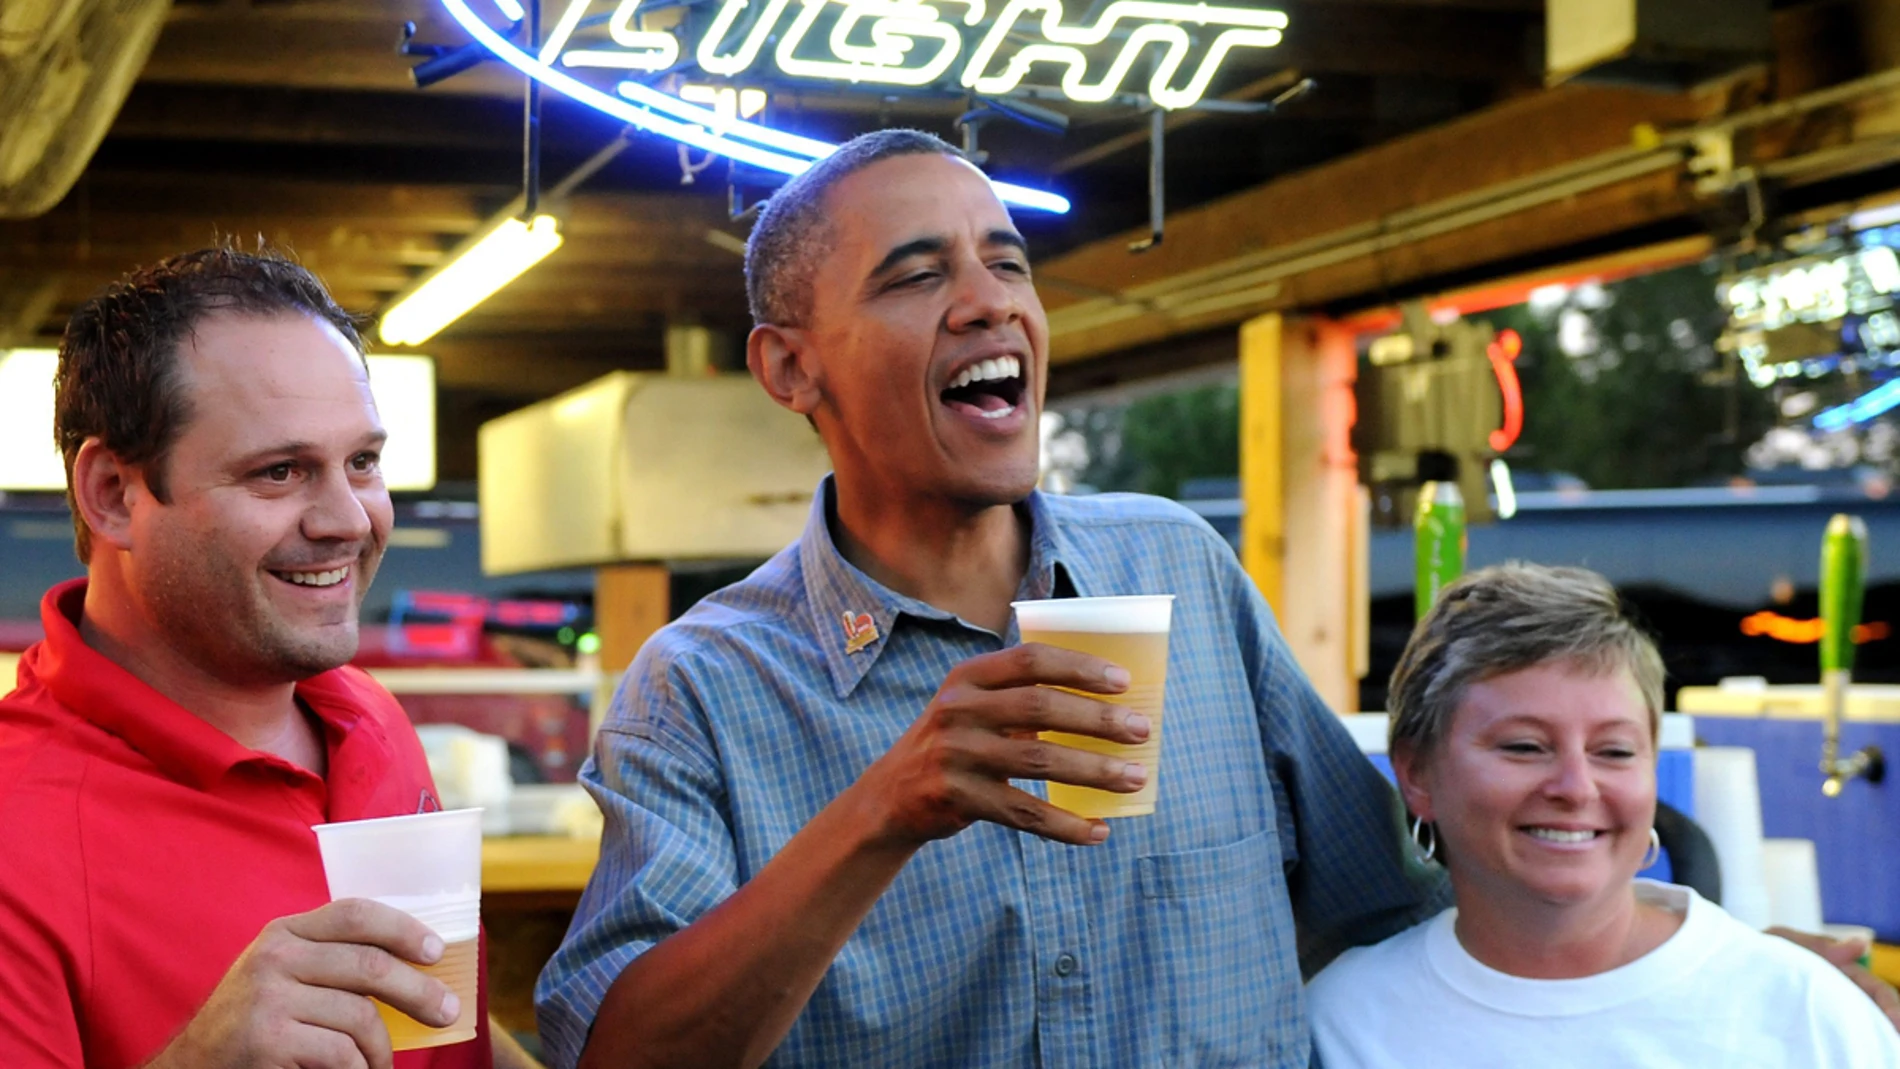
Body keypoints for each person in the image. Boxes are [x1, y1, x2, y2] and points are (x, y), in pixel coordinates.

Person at [534, 129, 1445, 1069]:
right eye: (916, 276)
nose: (990, 301)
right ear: (791, 370)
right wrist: (881, 814)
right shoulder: (698, 690)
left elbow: (1398, 915)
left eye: (1008, 263)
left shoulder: (1180, 571)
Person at [0, 248, 539, 1069]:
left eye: (362, 461)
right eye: (280, 471)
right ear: (113, 493)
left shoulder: (370, 717)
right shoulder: (17, 823)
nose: (348, 519)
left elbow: (438, 1028)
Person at [1307, 562, 1900, 1067]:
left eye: (1613, 751)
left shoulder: (1805, 1011)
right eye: (1524, 746)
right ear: (1416, 773)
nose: (1575, 786)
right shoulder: (1343, 1023)